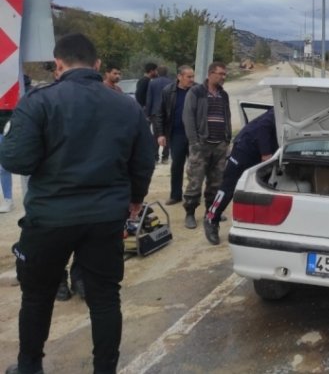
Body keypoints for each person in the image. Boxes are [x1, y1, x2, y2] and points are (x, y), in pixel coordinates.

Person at [0, 33, 155, 374]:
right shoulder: (126, 106)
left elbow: (17, 161)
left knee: (37, 296)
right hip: (105, 219)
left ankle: (29, 367)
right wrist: (135, 199)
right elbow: (145, 158)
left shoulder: (39, 102)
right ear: (98, 65)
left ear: (58, 65)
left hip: (49, 219)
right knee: (104, 298)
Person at [204, 108, 278, 245]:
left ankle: (258, 225)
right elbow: (263, 126)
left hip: (261, 154)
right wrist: (266, 152)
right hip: (245, 148)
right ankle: (211, 218)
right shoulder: (278, 111)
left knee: (262, 189)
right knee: (228, 187)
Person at [182, 62, 231, 229]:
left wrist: (227, 139)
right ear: (210, 74)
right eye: (221, 74)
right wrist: (194, 142)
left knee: (216, 183)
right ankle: (189, 213)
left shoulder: (223, 95)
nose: (223, 77)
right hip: (201, 145)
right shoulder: (196, 92)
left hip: (220, 146)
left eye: (225, 74)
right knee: (195, 181)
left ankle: (211, 212)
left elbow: (227, 117)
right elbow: (188, 118)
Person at [153, 65, 195, 206]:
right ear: (179, 77)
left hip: (195, 136)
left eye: (192, 76)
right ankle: (175, 195)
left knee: (196, 166)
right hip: (177, 135)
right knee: (177, 165)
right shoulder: (168, 91)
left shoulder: (197, 90)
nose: (191, 79)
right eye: (188, 77)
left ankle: (194, 195)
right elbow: (160, 113)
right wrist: (160, 134)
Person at [145, 66, 172, 164]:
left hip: (155, 113)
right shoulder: (172, 83)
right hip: (168, 112)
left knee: (156, 135)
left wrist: (147, 114)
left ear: (157, 72)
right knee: (168, 135)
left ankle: (155, 157)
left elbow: (149, 99)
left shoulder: (152, 83)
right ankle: (165, 157)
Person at [0, 109, 13, 213]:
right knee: (2, 167)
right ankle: (7, 199)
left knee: (3, 166)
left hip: (9, 126)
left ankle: (8, 199)